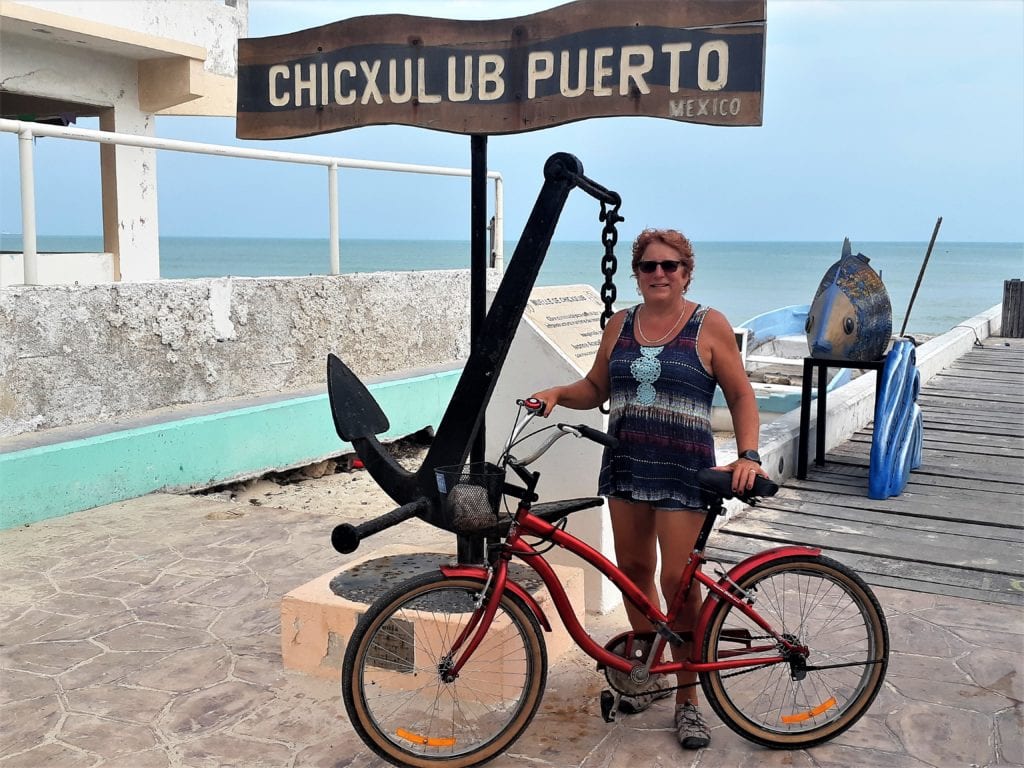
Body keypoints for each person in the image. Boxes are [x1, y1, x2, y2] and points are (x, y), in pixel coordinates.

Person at [531, 228, 770, 751]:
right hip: (626, 465)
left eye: (670, 266)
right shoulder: (620, 324)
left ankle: (690, 697)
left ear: (686, 272)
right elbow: (597, 387)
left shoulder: (710, 325)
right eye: (648, 266)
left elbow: (741, 395)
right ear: (636, 274)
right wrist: (556, 393)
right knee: (635, 573)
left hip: (683, 470)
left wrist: (748, 455)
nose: (659, 274)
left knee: (678, 580)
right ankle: (648, 672)